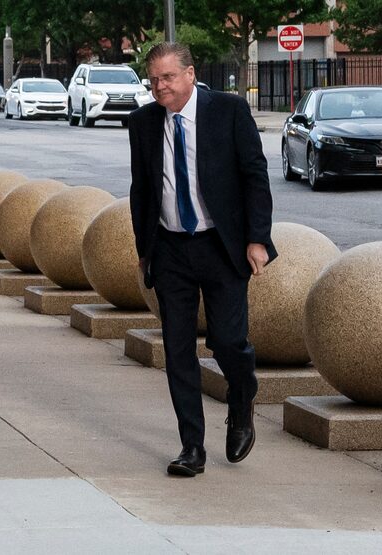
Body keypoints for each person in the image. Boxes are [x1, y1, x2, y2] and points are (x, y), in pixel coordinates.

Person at [128, 42, 277, 478]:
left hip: (220, 245)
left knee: (228, 342)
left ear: (190, 74)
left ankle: (241, 397)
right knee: (177, 352)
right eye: (153, 79)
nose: (160, 87)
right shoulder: (142, 123)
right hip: (170, 249)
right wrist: (144, 250)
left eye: (168, 77)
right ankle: (191, 446)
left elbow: (254, 175)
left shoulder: (228, 111)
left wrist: (257, 240)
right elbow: (142, 190)